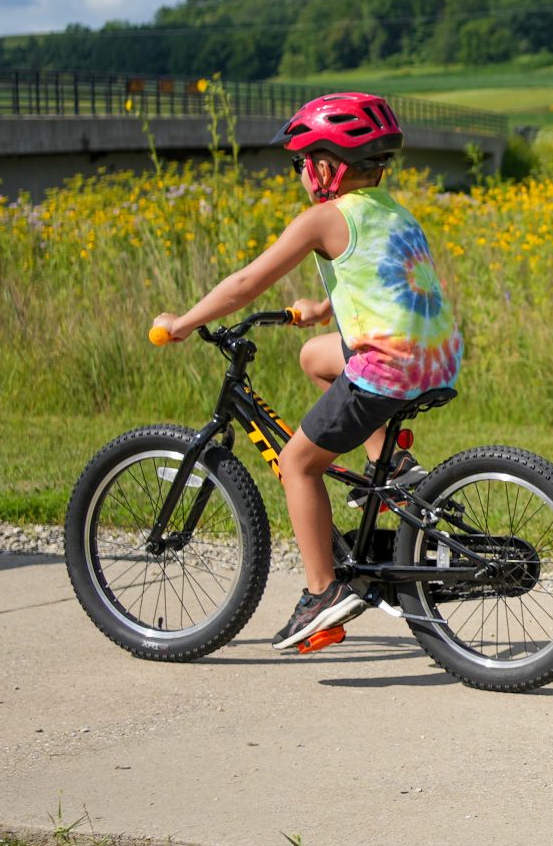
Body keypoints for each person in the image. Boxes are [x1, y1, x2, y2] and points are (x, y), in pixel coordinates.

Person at [149, 92, 463, 654]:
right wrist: (322, 309)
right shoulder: (394, 211)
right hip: (434, 355)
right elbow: (390, 283)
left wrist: (182, 323)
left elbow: (246, 284)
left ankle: (323, 593)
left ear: (323, 166)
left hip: (386, 369)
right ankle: (388, 463)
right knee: (315, 356)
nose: (299, 174)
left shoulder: (324, 217)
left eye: (300, 163)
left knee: (297, 462)